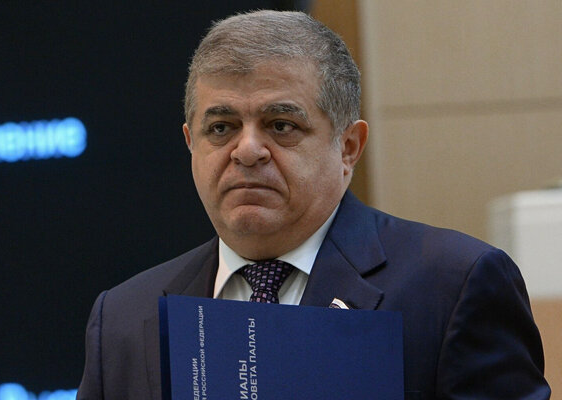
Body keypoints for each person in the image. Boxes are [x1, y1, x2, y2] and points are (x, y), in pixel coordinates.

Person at [77, 10, 550, 400]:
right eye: (221, 128)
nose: (247, 151)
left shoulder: (454, 286)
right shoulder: (123, 317)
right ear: (190, 144)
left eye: (281, 125)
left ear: (348, 147)